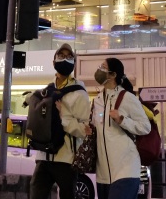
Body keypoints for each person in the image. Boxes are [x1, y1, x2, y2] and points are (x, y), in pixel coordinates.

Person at [30, 44, 89, 199]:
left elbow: (85, 130)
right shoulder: (46, 90)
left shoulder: (79, 92)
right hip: (43, 156)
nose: (65, 59)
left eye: (69, 57)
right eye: (61, 56)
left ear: (74, 63)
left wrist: (64, 116)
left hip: (67, 159)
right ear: (54, 61)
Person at [85, 57, 149, 199]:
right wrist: (89, 131)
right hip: (103, 174)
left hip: (126, 170)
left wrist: (122, 120)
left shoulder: (127, 98)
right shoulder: (97, 100)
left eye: (103, 67)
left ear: (113, 75)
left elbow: (145, 127)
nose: (98, 70)